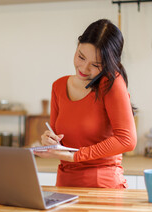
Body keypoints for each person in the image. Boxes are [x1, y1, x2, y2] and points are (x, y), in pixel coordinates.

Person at [36, 19, 137, 189]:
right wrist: (49, 140)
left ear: (109, 64)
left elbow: (127, 140)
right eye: (81, 57)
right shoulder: (58, 86)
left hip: (102, 186)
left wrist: (75, 156)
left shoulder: (111, 83)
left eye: (95, 65)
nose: (83, 68)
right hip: (65, 183)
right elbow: (58, 141)